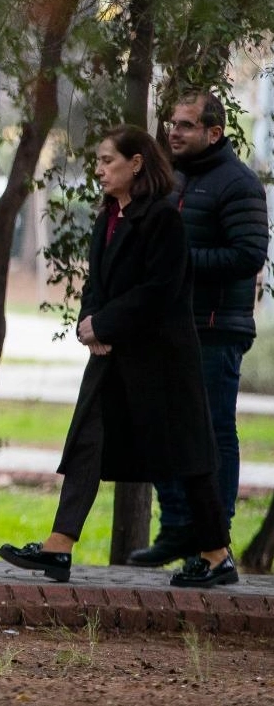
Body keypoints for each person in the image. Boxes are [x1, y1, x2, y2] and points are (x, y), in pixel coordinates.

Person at [0, 126, 236, 588]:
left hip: (161, 360)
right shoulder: (109, 213)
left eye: (109, 160)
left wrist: (104, 325)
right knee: (87, 441)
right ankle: (59, 546)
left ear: (137, 163)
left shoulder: (162, 218)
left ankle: (216, 554)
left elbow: (160, 290)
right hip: (113, 356)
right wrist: (90, 323)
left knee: (187, 454)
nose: (100, 169)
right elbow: (97, 284)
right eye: (99, 161)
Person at [128, 92, 268, 566]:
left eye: (186, 125)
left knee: (211, 431)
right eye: (172, 123)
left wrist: (178, 263)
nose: (174, 131)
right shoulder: (170, 179)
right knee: (164, 428)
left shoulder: (239, 184)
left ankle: (215, 540)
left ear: (214, 132)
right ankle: (178, 528)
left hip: (214, 328)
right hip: (166, 325)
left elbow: (248, 255)